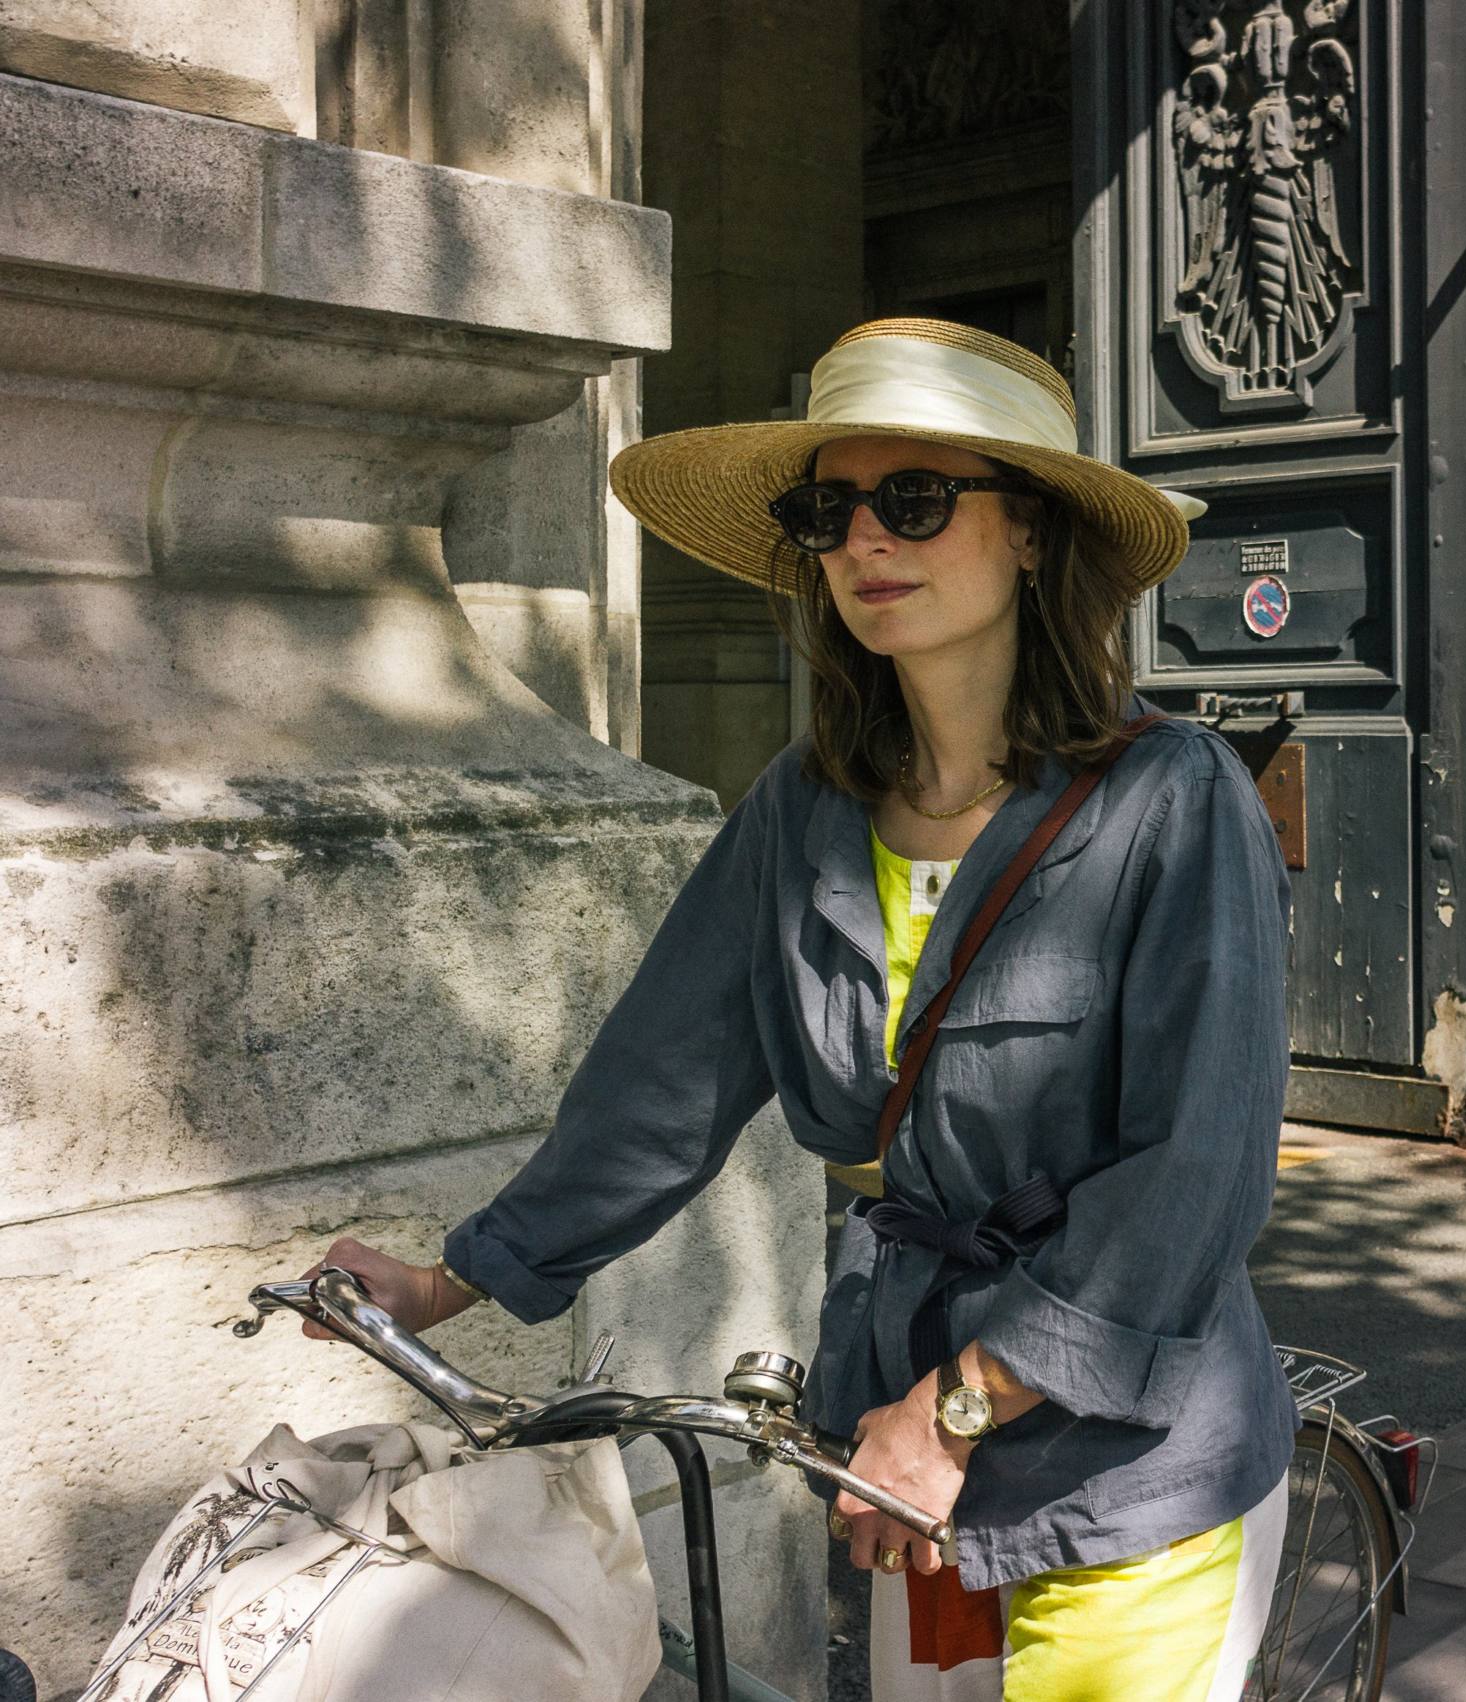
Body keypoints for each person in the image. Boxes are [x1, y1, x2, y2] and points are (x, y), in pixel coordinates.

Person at [299, 318, 1299, 1698]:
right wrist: (451, 1276)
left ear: (1030, 535)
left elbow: (1193, 1181)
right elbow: (663, 1085)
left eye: (916, 498)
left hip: (1122, 1463)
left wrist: (957, 1410)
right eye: (829, 510)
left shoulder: (1174, 802)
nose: (864, 542)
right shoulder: (803, 811)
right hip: (895, 1458)